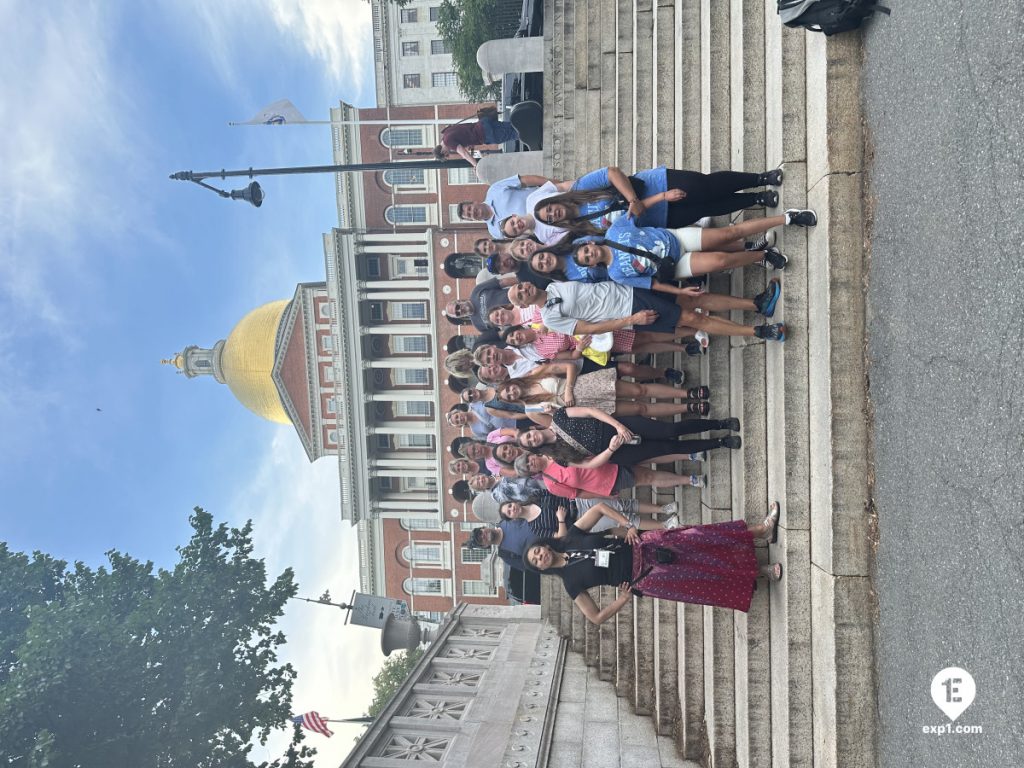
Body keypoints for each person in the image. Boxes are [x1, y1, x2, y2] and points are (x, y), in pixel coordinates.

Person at [523, 501, 783, 624]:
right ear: (541, 569)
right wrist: (622, 600)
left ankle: (761, 531)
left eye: (537, 552)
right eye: (537, 562)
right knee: (701, 576)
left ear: (544, 545)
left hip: (644, 544)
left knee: (701, 539)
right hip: (646, 577)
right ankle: (760, 573)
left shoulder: (571, 537)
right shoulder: (570, 584)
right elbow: (595, 618)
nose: (540, 557)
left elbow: (599, 508)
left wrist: (626, 524)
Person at [570, 209, 818, 287]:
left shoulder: (614, 231)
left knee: (728, 233)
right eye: (587, 259)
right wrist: (680, 292)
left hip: (675, 239)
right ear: (591, 265)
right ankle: (762, 254)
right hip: (673, 267)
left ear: (590, 243)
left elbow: (635, 210)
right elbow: (651, 284)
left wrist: (660, 198)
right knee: (720, 262)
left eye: (586, 250)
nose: (590, 254)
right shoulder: (615, 274)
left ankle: (788, 218)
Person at [528, 165, 786, 238]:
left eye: (549, 209)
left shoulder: (580, 188)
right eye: (550, 218)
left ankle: (760, 178)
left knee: (706, 186)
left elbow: (612, 173)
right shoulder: (582, 229)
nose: (553, 213)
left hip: (657, 184)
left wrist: (632, 199)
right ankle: (757, 198)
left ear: (554, 201)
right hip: (659, 219)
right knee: (707, 208)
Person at [507, 279, 787, 342]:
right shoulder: (550, 318)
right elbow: (590, 329)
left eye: (521, 287)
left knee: (694, 300)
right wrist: (631, 320)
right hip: (629, 309)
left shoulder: (554, 285)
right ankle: (758, 331)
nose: (524, 291)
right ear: (523, 306)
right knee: (692, 318)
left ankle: (756, 304)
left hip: (630, 289)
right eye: (520, 296)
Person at [517, 405, 740, 467]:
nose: (532, 439)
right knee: (668, 449)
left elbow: (590, 412)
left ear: (533, 430)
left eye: (529, 436)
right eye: (530, 444)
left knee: (669, 431)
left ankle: (719, 423)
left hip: (617, 427)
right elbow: (590, 464)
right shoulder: (558, 457)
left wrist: (618, 426)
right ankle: (719, 442)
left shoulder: (559, 417)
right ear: (535, 448)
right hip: (616, 451)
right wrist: (611, 449)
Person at [515, 450, 707, 495]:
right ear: (532, 473)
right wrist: (605, 496)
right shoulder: (550, 483)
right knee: (648, 477)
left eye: (528, 460)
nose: (531, 463)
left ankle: (689, 455)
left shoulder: (551, 450)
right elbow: (578, 494)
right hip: (608, 480)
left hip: (607, 455)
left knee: (649, 456)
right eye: (528, 467)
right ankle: (689, 480)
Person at [457, 174, 570, 238]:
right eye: (469, 215)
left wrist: (558, 183)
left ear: (474, 202)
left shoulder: (494, 190)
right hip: (551, 225)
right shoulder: (495, 232)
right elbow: (521, 237)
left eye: (470, 209)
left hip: (550, 200)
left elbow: (526, 180)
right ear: (472, 219)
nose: (472, 212)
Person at [434, 109, 520, 167]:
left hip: (486, 134)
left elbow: (464, 153)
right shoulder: (445, 132)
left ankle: (532, 132)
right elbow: (463, 131)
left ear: (442, 151)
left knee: (516, 134)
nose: (449, 153)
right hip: (483, 123)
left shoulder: (448, 143)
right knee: (514, 126)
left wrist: (476, 165)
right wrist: (470, 143)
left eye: (447, 154)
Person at [446, 402, 516, 438]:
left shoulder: (474, 404)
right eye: (457, 422)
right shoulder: (475, 431)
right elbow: (492, 436)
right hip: (513, 427)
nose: (459, 419)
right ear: (460, 425)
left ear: (459, 411)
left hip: (512, 410)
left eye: (457, 416)